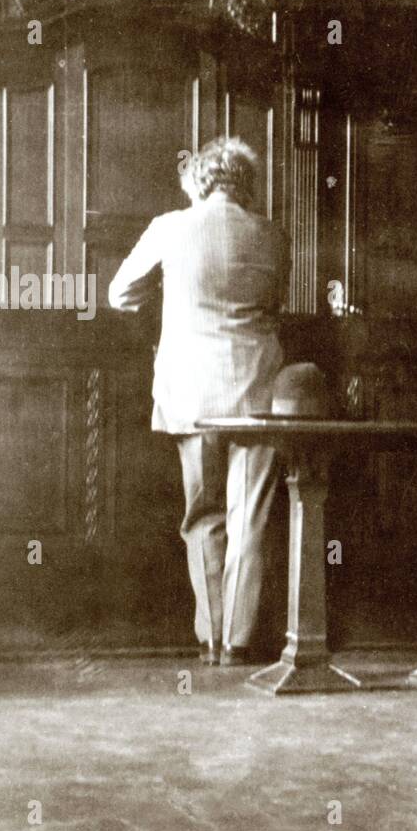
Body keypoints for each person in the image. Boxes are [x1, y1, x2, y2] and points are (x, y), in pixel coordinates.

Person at [107, 136, 291, 667]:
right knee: (249, 518)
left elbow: (120, 293)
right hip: (259, 391)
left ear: (199, 180)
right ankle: (238, 639)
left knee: (204, 515)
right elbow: (274, 302)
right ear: (245, 184)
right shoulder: (273, 235)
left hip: (191, 391)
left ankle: (211, 637)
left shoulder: (170, 227)